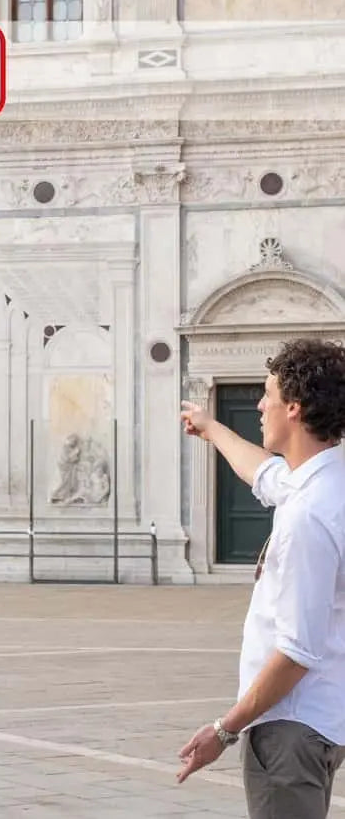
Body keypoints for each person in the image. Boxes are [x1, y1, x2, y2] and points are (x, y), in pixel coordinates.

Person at [177, 338, 345, 819]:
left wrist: (225, 730)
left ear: (293, 408)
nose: (259, 403)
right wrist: (212, 429)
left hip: (290, 727)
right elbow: (264, 474)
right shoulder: (322, 479)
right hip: (322, 718)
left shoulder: (307, 517)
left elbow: (296, 652)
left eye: (267, 393)